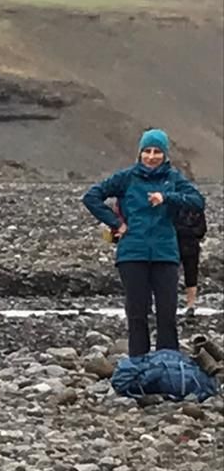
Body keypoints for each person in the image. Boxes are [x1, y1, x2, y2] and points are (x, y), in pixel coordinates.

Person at [82, 129, 206, 355]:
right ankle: (139, 364)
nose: (151, 156)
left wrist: (167, 197)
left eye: (157, 152)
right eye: (147, 151)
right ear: (139, 153)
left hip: (165, 253)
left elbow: (198, 201)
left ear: (165, 155)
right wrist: (116, 223)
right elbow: (92, 196)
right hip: (132, 252)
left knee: (167, 313)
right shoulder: (127, 177)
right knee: (137, 313)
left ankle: (166, 364)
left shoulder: (173, 178)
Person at [176, 201, 207, 316]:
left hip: (183, 246)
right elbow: (201, 230)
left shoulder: (176, 208)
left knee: (189, 275)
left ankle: (189, 304)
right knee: (189, 276)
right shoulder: (197, 209)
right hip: (187, 245)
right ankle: (190, 304)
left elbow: (202, 230)